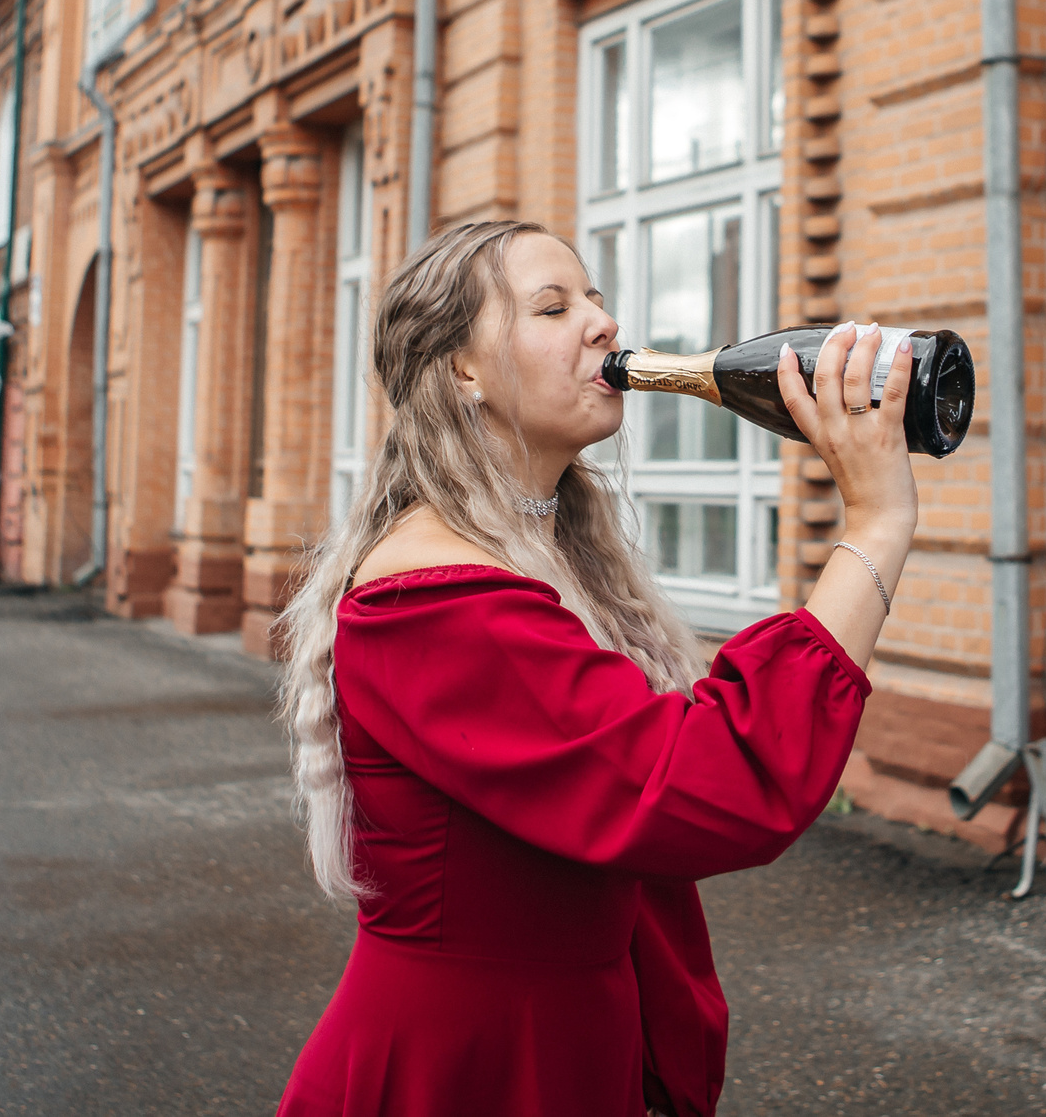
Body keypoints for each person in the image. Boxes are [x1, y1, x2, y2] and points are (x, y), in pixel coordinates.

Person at [274, 219, 920, 1117]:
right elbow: (701, 780)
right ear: (462, 370)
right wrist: (876, 525)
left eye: (597, 299)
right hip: (465, 1069)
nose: (602, 324)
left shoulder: (537, 545)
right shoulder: (431, 600)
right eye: (553, 305)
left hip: (567, 1042)